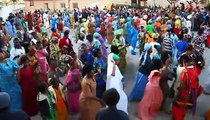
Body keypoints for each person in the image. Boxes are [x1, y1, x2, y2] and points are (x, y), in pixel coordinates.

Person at [172, 54, 203, 120]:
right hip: (192, 94)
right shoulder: (195, 69)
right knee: (186, 110)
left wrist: (176, 97)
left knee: (178, 110)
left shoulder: (184, 72)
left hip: (185, 94)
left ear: (184, 63)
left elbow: (182, 86)